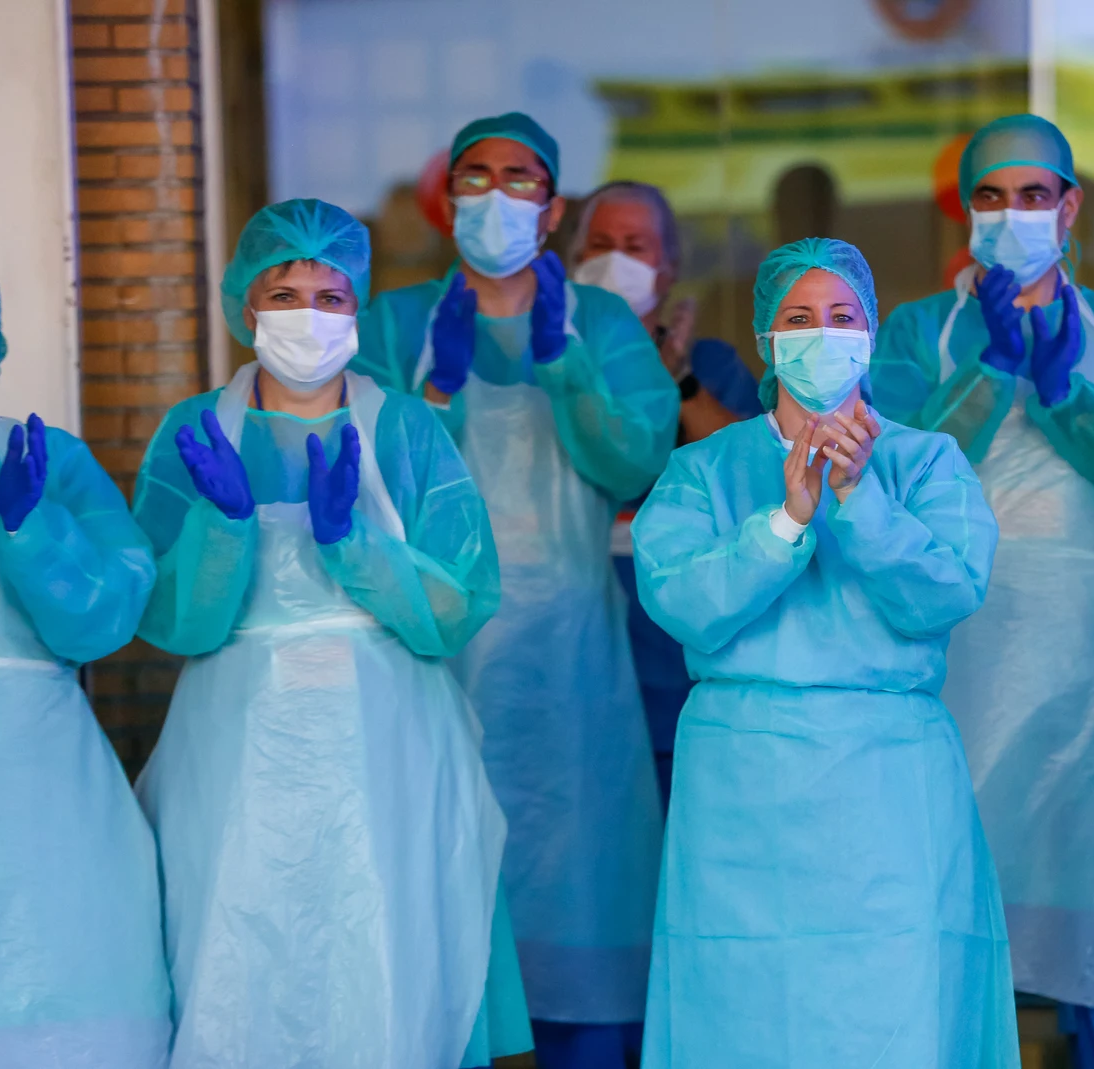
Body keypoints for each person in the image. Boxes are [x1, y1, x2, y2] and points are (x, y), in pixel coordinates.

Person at [132, 199, 527, 1068]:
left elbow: (460, 602)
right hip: (236, 748)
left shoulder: (406, 429)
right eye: (286, 294)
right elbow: (170, 618)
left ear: (359, 309)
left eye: (332, 296)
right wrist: (224, 527)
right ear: (247, 309)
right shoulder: (198, 434)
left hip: (390, 743)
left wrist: (355, 541)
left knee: (395, 951)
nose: (309, 317)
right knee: (232, 951)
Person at [870, 113, 1094, 1068]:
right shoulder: (914, 332)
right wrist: (982, 376)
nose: (1013, 214)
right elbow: (883, 483)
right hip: (952, 656)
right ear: (965, 212)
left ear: (1068, 210)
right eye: (992, 196)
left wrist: (1070, 398)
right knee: (947, 915)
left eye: (1033, 195)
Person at [632, 237, 1016, 1065]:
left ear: (870, 333)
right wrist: (785, 522)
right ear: (767, 340)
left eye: (842, 316)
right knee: (743, 1008)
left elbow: (949, 589)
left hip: (887, 778)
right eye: (799, 318)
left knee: (895, 998)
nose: (822, 334)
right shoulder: (704, 468)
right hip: (742, 785)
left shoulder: (923, 461)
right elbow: (680, 600)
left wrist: (861, 500)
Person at [353, 114, 681, 1065]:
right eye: (477, 177)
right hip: (431, 651)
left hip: (572, 666)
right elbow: (368, 487)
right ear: (447, 198)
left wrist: (568, 363)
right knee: (444, 895)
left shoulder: (605, 324)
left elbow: (634, 461)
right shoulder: (390, 324)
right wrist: (438, 399)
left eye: (519, 178)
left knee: (580, 892)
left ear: (553, 207)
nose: (496, 197)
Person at [0, 239, 171, 1068]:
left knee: (69, 978)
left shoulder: (47, 460)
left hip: (43, 774)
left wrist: (30, 528)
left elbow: (102, 621)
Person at [567, 179, 764, 807]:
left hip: (670, 643)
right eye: (599, 244)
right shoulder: (550, 361)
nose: (615, 259)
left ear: (669, 266)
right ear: (572, 260)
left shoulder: (707, 364)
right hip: (568, 628)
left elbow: (757, 468)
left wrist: (676, 378)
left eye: (635, 245)